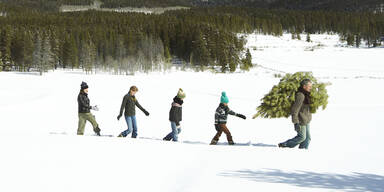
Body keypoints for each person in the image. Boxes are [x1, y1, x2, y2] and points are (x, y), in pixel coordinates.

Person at [278, 79, 312, 149]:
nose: (310, 87)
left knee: (307, 138)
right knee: (302, 137)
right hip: (300, 120)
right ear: (304, 86)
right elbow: (294, 109)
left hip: (306, 120)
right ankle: (285, 144)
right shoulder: (300, 95)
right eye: (309, 86)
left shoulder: (307, 94)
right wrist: (296, 122)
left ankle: (303, 151)